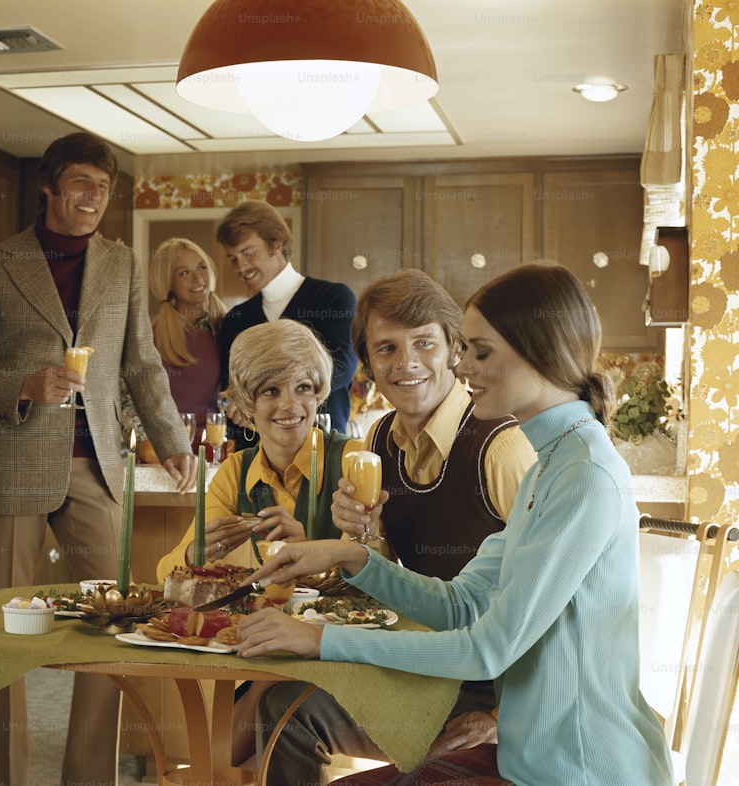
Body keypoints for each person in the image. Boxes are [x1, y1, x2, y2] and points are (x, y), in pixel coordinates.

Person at [235, 263, 675, 786]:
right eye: (468, 350)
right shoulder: (552, 462)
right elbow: (461, 603)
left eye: (479, 352)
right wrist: (350, 556)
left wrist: (318, 640)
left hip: (578, 772)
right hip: (527, 759)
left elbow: (487, 648)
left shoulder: (582, 473)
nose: (463, 368)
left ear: (539, 352)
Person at [0, 131, 196, 786]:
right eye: (81, 183)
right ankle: (4, 777)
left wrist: (172, 440)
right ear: (48, 186)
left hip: (97, 466)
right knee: (4, 634)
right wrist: (22, 385)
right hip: (10, 466)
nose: (93, 198)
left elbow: (140, 362)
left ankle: (87, 776)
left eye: (103, 188)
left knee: (114, 624)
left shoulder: (123, 265)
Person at [254, 269, 537, 786]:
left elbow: (557, 602)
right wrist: (363, 536)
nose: (405, 363)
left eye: (423, 343)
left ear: (454, 348)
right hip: (432, 674)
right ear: (366, 363)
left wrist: (502, 720)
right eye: (385, 349)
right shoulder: (379, 439)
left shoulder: (501, 447)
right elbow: (395, 579)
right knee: (287, 710)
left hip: (506, 694)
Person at [155, 319, 365, 765]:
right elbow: (166, 575)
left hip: (340, 648)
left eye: (304, 387)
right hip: (268, 645)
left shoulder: (351, 459)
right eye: (271, 391)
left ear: (320, 393)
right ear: (247, 406)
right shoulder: (235, 471)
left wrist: (313, 551)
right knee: (223, 752)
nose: (291, 405)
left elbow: (375, 578)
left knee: (221, 754)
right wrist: (195, 555)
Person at [216, 200, 357, 445]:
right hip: (256, 455)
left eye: (248, 253)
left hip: (321, 449)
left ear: (276, 243)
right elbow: (231, 385)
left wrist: (266, 393)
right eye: (233, 258)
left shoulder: (333, 298)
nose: (240, 267)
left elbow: (342, 366)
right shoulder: (236, 319)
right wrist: (236, 400)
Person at [121, 237, 227, 459]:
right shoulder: (147, 334)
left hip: (216, 454)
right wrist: (145, 445)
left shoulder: (227, 329)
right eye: (184, 273)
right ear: (167, 282)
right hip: (163, 455)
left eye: (202, 267)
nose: (198, 278)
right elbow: (127, 398)